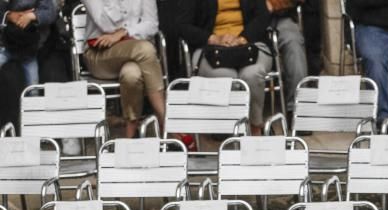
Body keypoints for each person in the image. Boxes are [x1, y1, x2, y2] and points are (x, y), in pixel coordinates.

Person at [176, 0, 274, 134]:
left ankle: (255, 127)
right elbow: (183, 26)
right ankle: (232, 129)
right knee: (227, 78)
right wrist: (213, 38)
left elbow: (263, 16)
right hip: (210, 47)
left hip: (251, 43)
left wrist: (242, 39)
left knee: (252, 74)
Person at [81, 0, 165, 138]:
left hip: (134, 51)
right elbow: (104, 22)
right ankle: (166, 122)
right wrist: (134, 29)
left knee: (131, 73)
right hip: (100, 53)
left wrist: (124, 32)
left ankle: (130, 135)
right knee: (146, 49)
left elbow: (152, 25)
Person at [0, 0, 56, 85]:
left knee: (33, 85)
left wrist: (32, 16)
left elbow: (51, 13)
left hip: (29, 47)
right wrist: (8, 15)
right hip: (5, 43)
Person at [267, 0, 306, 114]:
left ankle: (297, 109)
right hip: (239, 21)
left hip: (279, 17)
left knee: (294, 43)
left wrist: (274, 4)